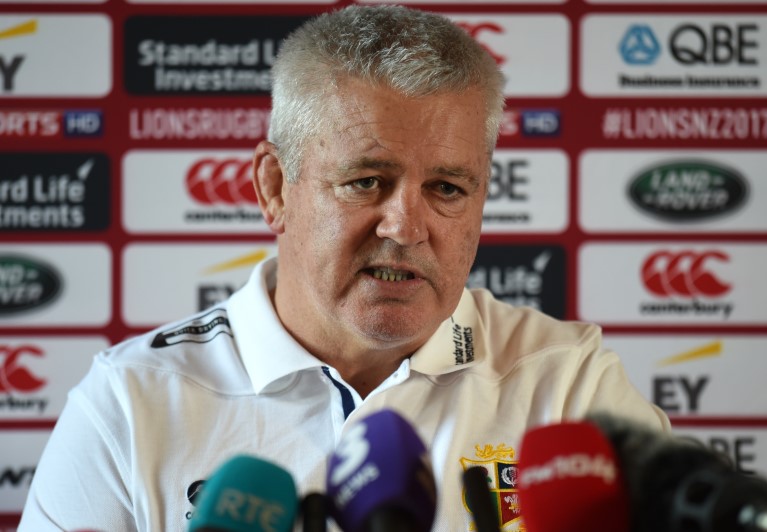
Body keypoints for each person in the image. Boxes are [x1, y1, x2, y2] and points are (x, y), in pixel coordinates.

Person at [19, 5, 669, 531]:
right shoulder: (129, 404)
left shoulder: (569, 385)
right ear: (275, 187)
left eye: (447, 188)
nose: (407, 227)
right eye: (366, 181)